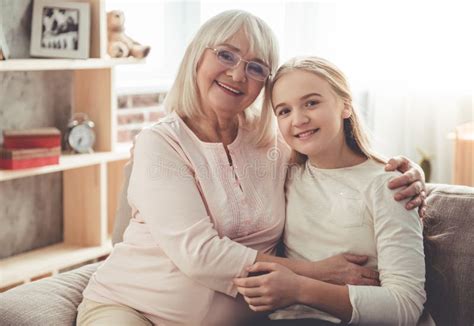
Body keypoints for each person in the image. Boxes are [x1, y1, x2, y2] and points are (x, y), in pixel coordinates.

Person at [77, 10, 426, 326]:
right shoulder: (160, 143)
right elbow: (200, 253)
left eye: (256, 67)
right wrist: (316, 274)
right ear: (197, 57)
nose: (237, 73)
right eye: (226, 54)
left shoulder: (273, 141)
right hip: (133, 309)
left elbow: (340, 167)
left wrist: (407, 174)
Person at [234, 57, 427, 325]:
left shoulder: (388, 185)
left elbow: (405, 306)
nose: (299, 119)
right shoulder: (285, 173)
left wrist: (299, 288)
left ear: (345, 105)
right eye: (284, 111)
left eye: (311, 103)